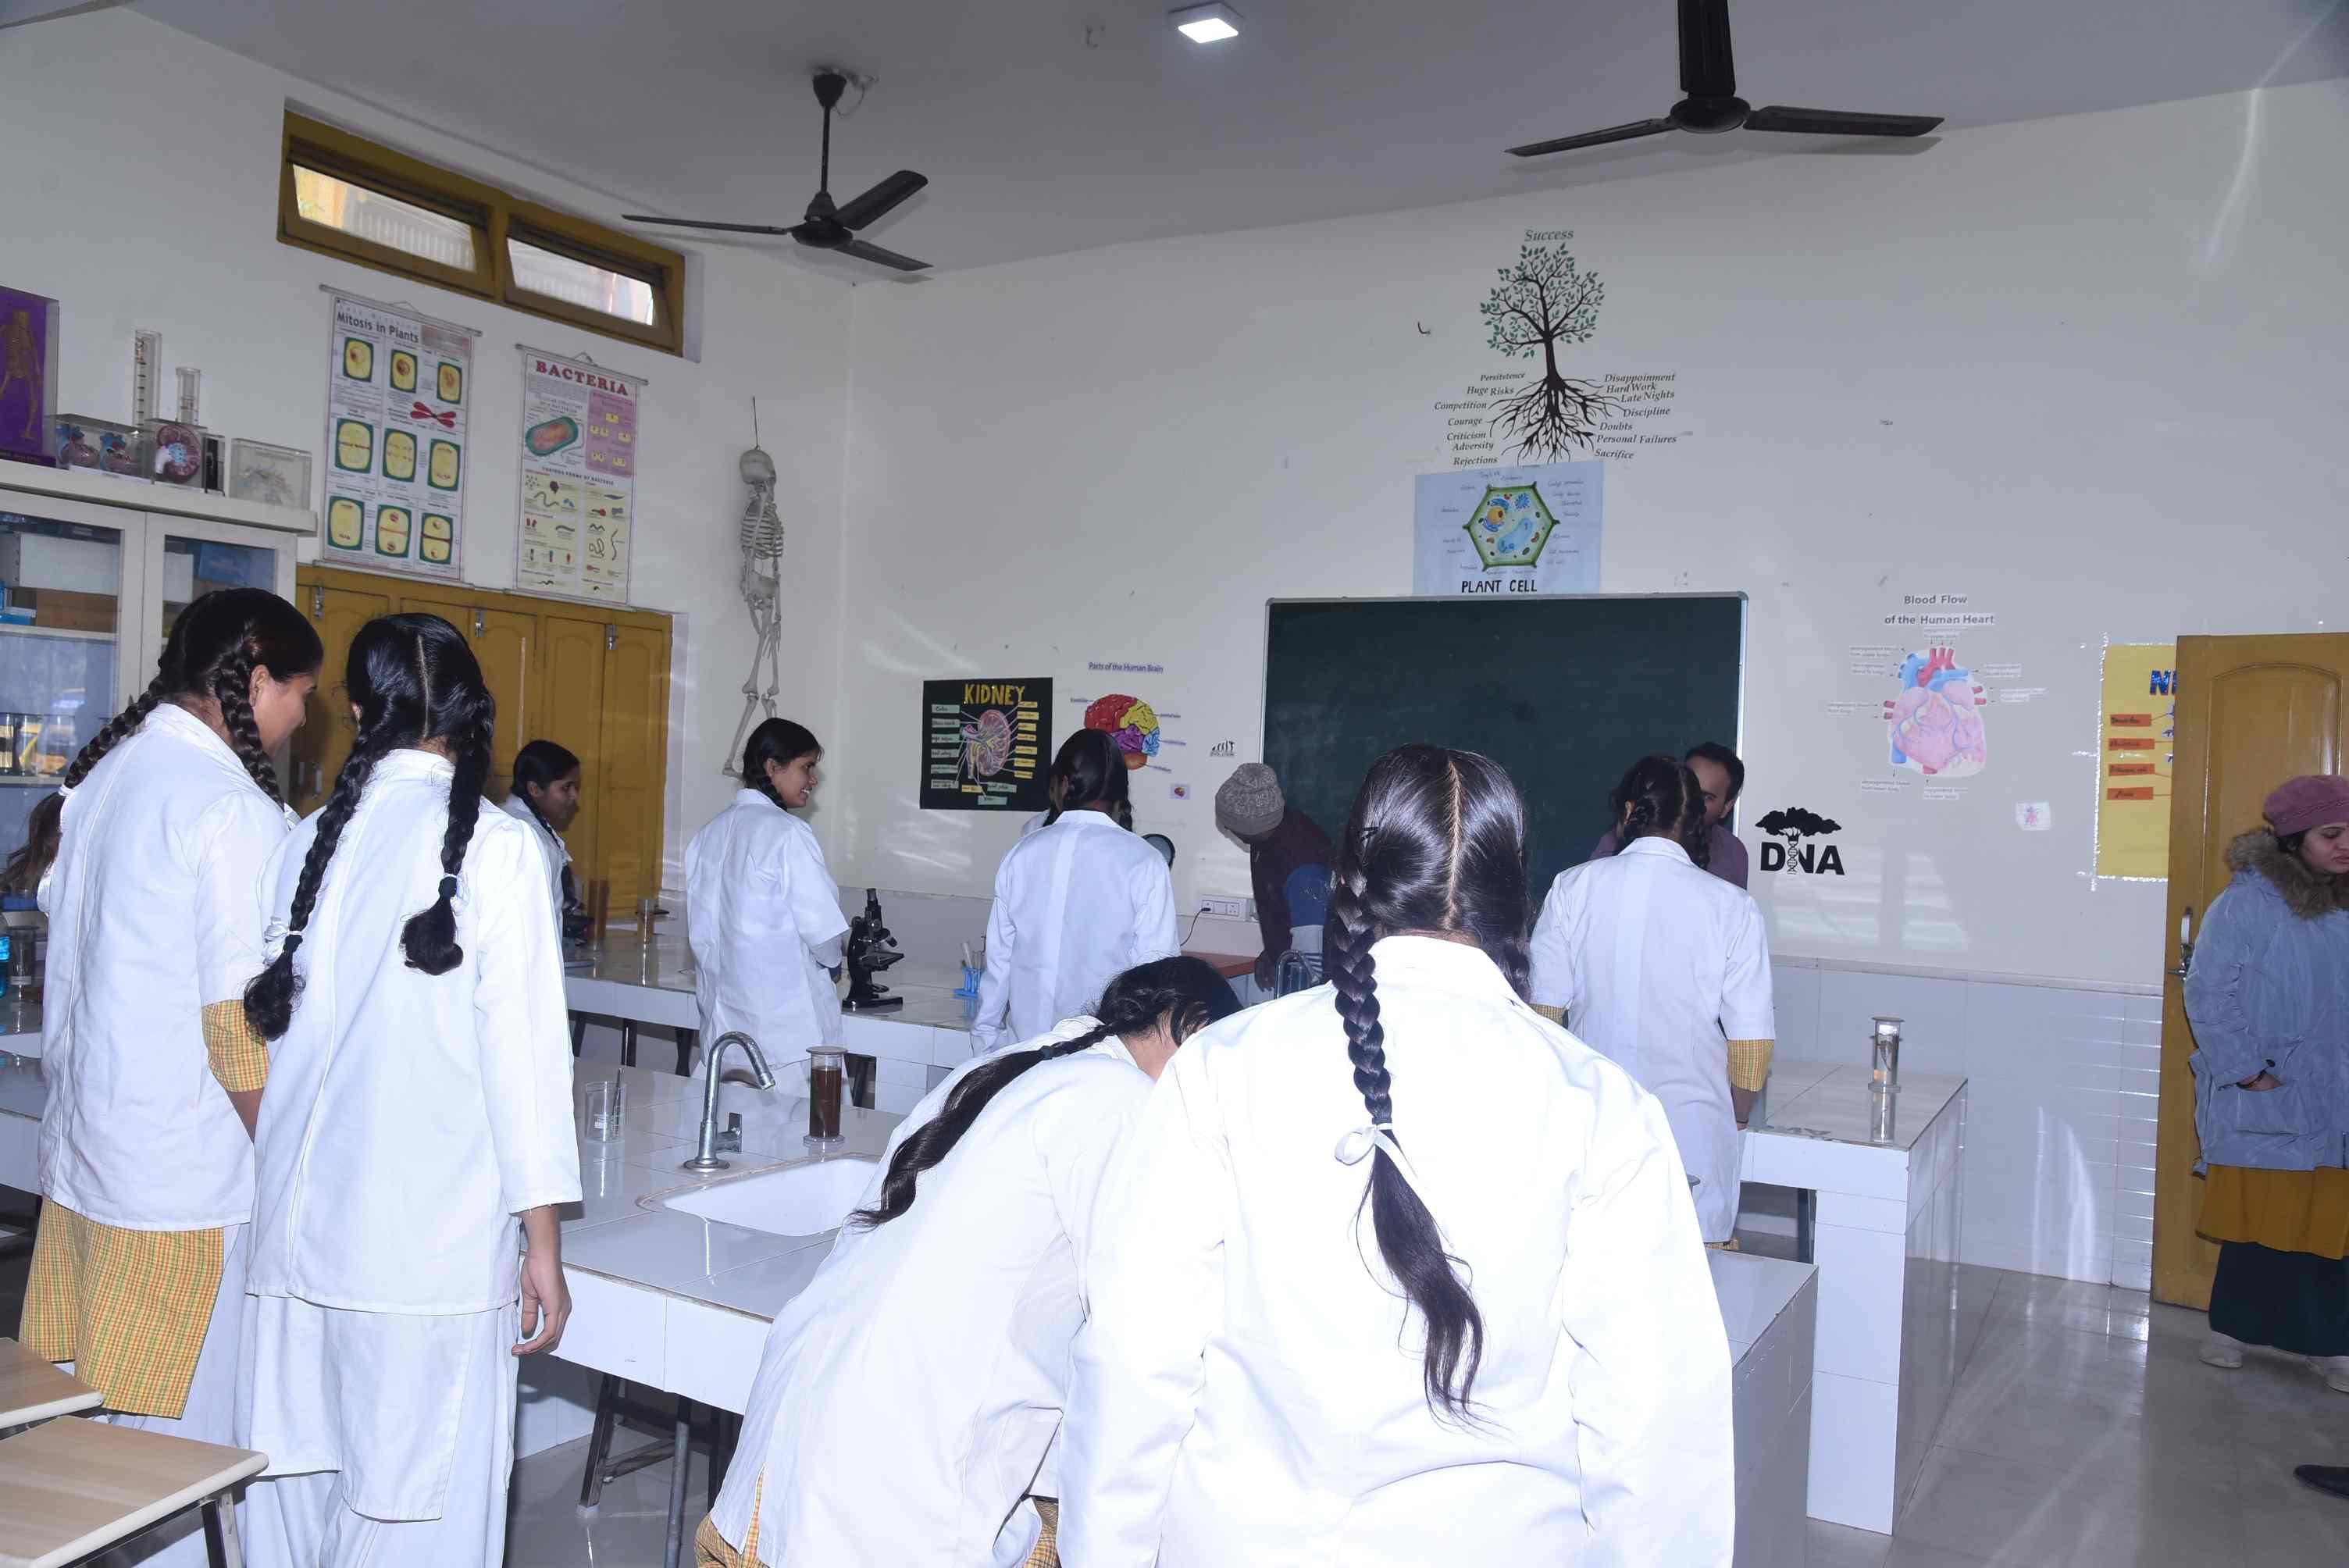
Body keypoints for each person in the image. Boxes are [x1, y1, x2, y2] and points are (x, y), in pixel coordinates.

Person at [1064, 744, 1733, 1566]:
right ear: (1515, 893)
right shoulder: (1601, 1104)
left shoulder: (1221, 1066)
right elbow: (1657, 1425)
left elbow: (1134, 1361)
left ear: (1351, 877)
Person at [695, 957, 1241, 1568]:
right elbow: (1136, 1342)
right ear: (1190, 1025)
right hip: (876, 1499)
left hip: (769, 1483)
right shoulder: (1126, 1104)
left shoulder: (1013, 1066)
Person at [237, 614, 581, 1566]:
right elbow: (524, 1062)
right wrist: (543, 1241)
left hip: (292, 1251)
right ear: (471, 709)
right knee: (415, 1528)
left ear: (354, 712)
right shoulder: (498, 849)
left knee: (290, 1515)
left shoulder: (306, 842)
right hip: (423, 1259)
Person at [12, 590, 320, 1568]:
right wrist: (299, 1166)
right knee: (181, 1459)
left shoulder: (105, 777)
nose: (301, 718)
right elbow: (237, 1028)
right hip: (185, 1186)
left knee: (103, 1447)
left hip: (93, 1161)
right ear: (256, 680)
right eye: (299, 694)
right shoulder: (228, 810)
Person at [1531, 755, 1775, 1247]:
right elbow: (1751, 1048)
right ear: (1696, 822)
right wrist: (1739, 1116)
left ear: (1628, 812)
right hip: (1692, 1132)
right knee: (1693, 1278)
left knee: (1591, 1272)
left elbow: (1543, 1018)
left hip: (1593, 1124)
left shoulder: (1572, 887)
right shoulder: (1733, 907)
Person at [2184, 774, 2349, 1392]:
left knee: (2331, 1219)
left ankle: (2329, 1345)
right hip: (2275, 1087)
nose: (2345, 845)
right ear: (2295, 838)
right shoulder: (2248, 903)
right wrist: (2247, 1072)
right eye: (2332, 833)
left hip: (2339, 1094)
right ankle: (2231, 1330)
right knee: (2258, 1212)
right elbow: (2208, 991)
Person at [972, 730, 1178, 1052]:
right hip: (1100, 1059)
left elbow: (998, 965)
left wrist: (986, 1047)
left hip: (1022, 1056)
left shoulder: (1022, 853)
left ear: (1063, 783)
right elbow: (1156, 981)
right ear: (1120, 791)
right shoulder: (1145, 861)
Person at [686, 719, 850, 1077]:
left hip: (723, 1035)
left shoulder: (706, 836)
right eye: (806, 768)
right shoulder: (788, 834)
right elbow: (824, 937)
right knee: (803, 1116)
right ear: (773, 767)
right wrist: (834, 961)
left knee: (726, 1112)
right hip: (786, 1043)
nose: (813, 781)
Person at [1213, 761, 1333, 989]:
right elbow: (1284, 908)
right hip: (1297, 970)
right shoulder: (1270, 833)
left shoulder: (1303, 867)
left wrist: (1295, 1002)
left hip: (1312, 988)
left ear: (1252, 827)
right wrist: (1273, 952)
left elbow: (1311, 962)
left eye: (1231, 825)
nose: (1228, 829)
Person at [1589, 740, 1749, 888]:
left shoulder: (1733, 853)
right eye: (1688, 787)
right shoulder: (1619, 838)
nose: (1692, 800)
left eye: (1706, 797)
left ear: (1727, 807)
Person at [500, 738, 583, 939]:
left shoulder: (504, 818)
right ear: (535, 789)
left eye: (575, 787)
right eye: (566, 787)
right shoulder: (531, 837)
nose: (574, 796)